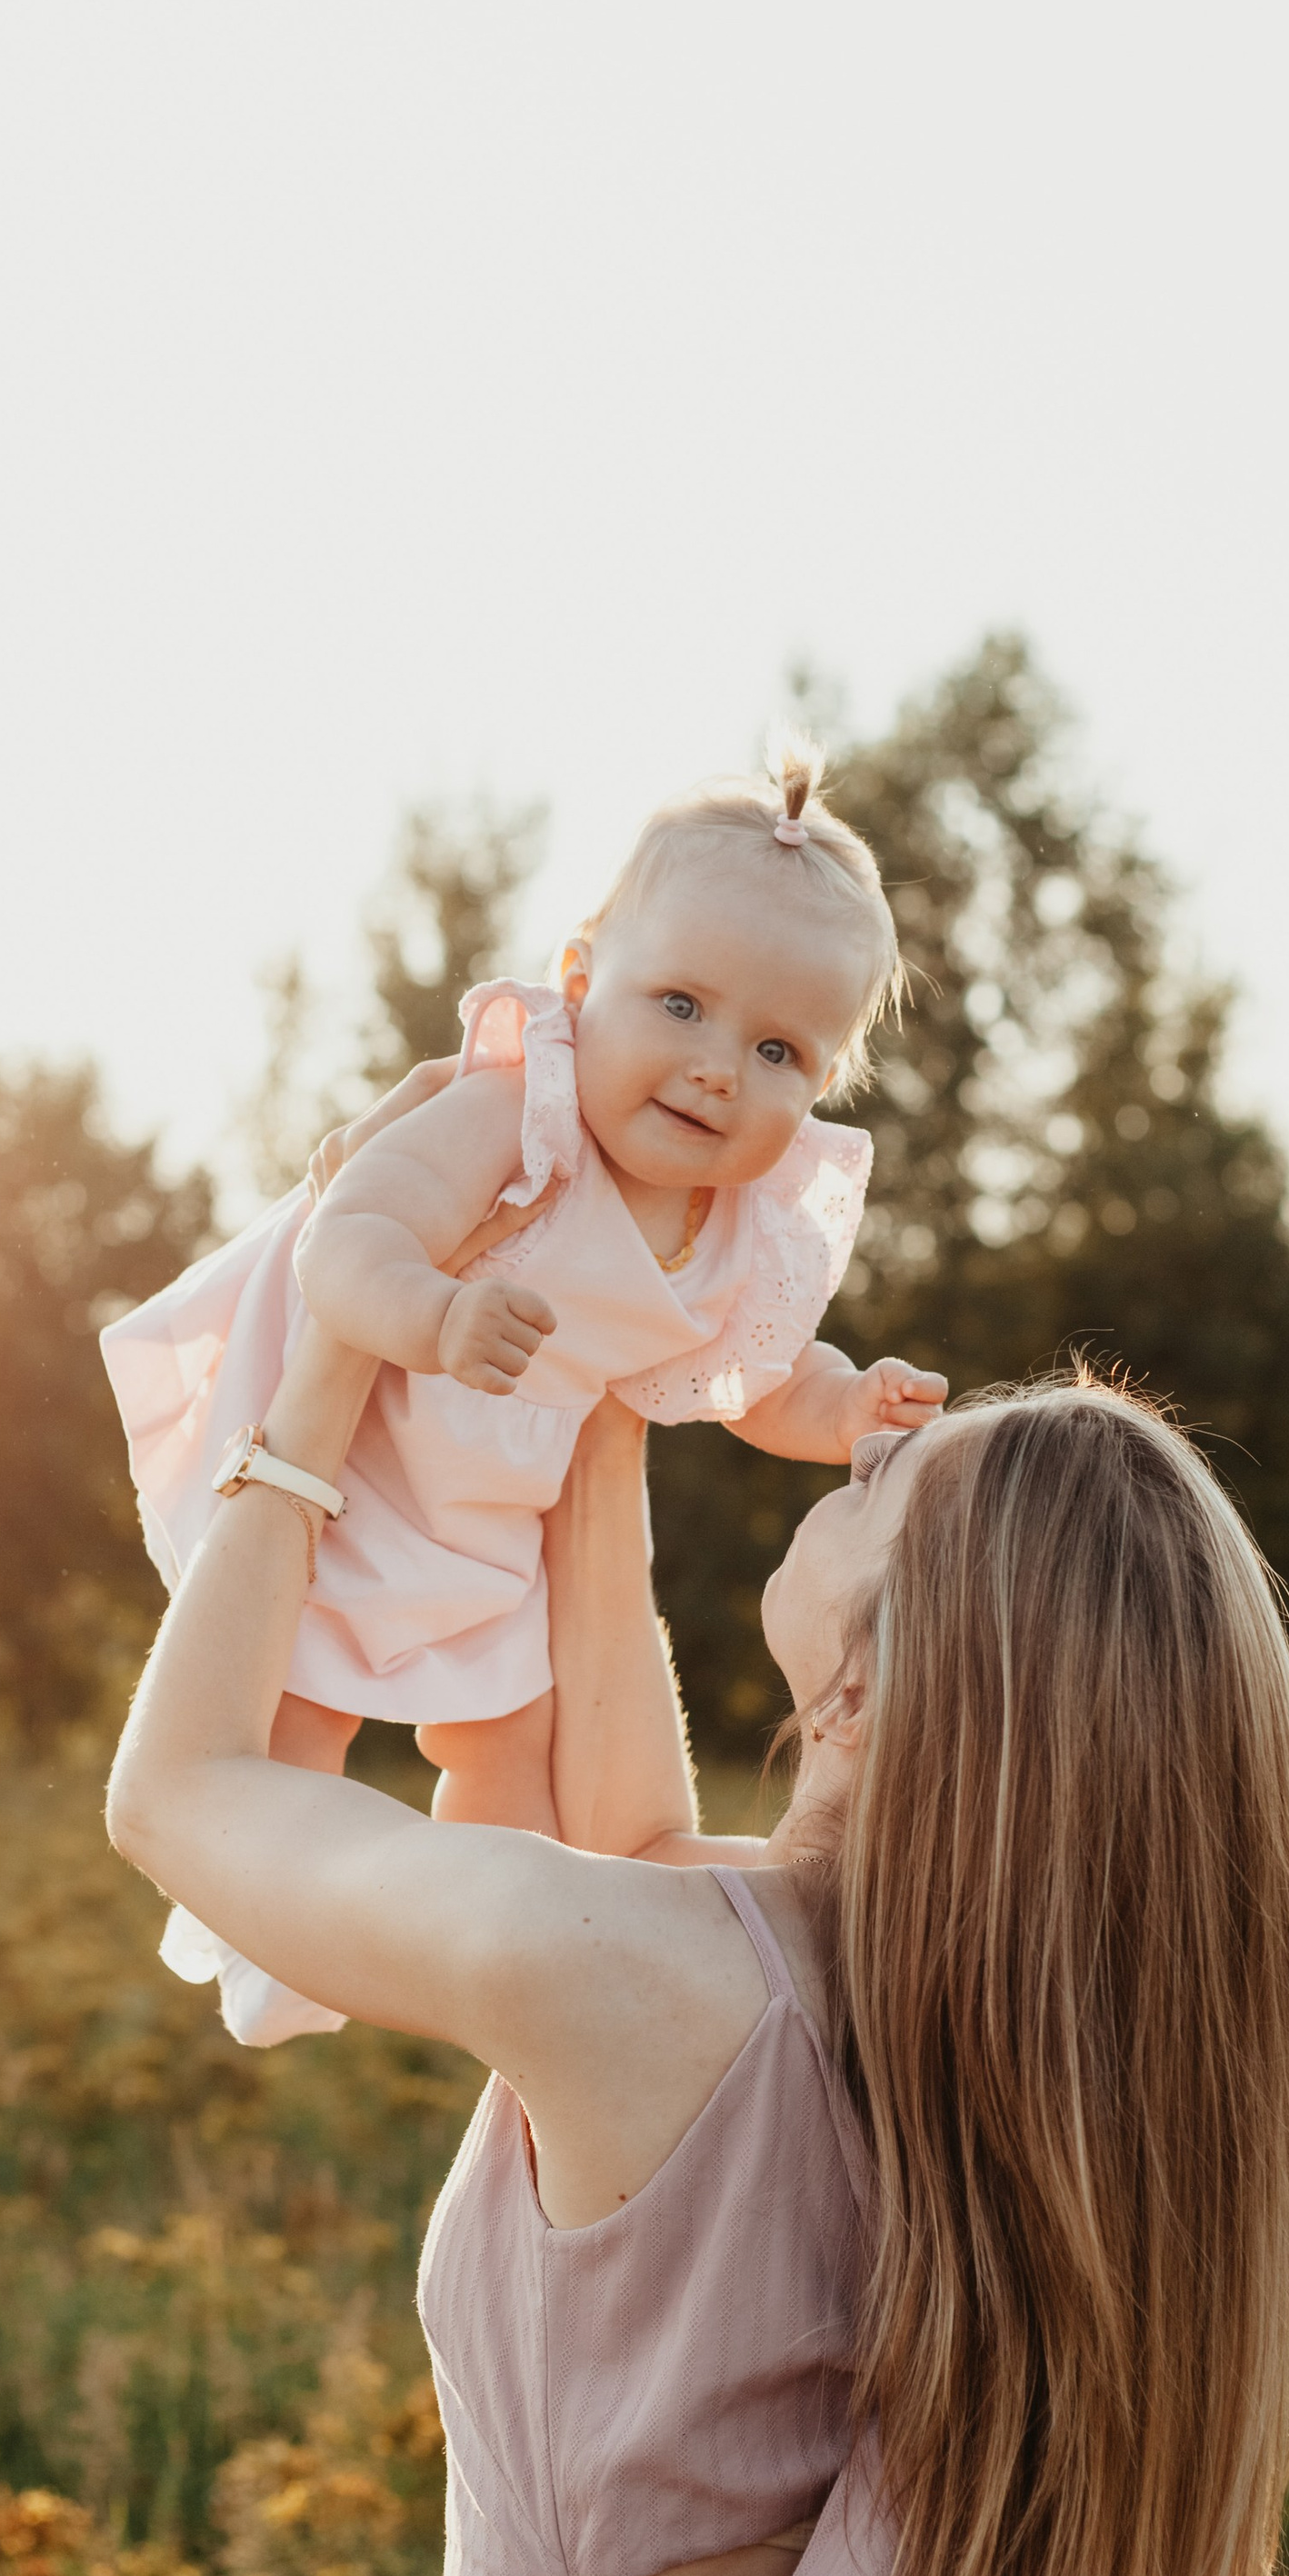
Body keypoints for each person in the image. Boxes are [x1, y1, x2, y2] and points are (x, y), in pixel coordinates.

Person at [105, 1313, 1289, 2576]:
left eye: (876, 1484)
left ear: (867, 1684)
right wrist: (604, 1416)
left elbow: (179, 1795)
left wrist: (318, 1374)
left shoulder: (651, 1981)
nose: (842, 1457)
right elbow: (628, 1849)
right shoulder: (1011, 2035)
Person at [98, 743, 944, 2042]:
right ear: (579, 979)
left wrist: (843, 1409)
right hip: (370, 1444)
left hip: (505, 1496)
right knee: (299, 1705)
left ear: (821, 1082)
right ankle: (269, 1931)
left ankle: (491, 1930)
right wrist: (435, 1312)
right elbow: (351, 1234)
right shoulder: (518, 1115)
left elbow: (758, 1377)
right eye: (679, 1006)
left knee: (511, 1738)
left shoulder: (740, 1228)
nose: (718, 1065)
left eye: (776, 1047)